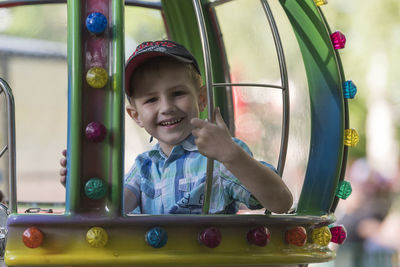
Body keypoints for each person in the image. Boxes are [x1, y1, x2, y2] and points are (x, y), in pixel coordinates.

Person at [60, 40, 293, 215]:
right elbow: (110, 212)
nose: (167, 107)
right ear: (135, 115)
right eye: (151, 100)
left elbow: (281, 202)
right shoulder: (144, 167)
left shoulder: (221, 158)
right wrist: (84, 184)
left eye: (178, 93)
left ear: (201, 99)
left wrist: (232, 155)